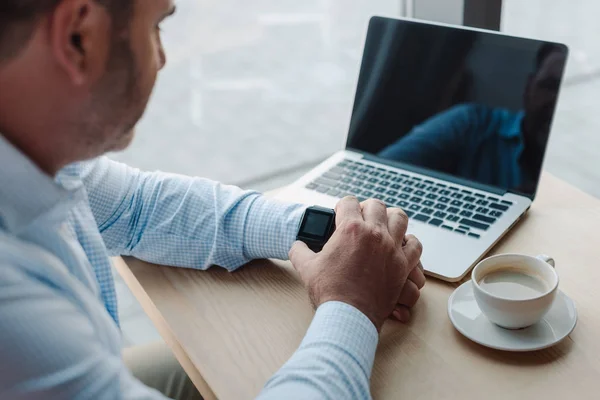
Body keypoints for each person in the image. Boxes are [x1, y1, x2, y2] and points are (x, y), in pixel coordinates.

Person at [0, 1, 425, 399]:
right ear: (79, 38)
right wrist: (353, 304)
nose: (163, 58)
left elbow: (137, 208)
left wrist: (336, 238)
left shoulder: (37, 154)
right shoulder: (12, 308)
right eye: (156, 26)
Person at [378, 44, 566, 194]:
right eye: (549, 86)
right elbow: (382, 170)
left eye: (567, 91)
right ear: (528, 88)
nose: (556, 101)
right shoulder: (471, 123)